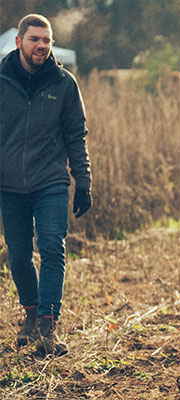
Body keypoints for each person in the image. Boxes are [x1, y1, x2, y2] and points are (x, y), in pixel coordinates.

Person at [0, 14, 92, 356]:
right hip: (9, 186)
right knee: (20, 257)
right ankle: (30, 313)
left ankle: (47, 325)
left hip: (50, 180)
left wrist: (83, 182)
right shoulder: (1, 79)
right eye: (35, 39)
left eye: (47, 40)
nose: (42, 46)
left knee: (52, 247)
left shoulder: (64, 83)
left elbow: (76, 135)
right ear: (18, 42)